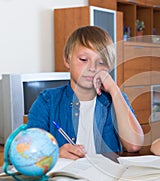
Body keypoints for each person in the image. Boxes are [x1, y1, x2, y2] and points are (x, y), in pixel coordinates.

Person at [27, 26, 144, 159]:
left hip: (106, 176)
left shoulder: (116, 99)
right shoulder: (48, 100)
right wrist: (55, 153)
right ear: (67, 60)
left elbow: (134, 145)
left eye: (101, 62)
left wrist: (114, 89)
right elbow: (29, 149)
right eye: (83, 60)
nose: (92, 68)